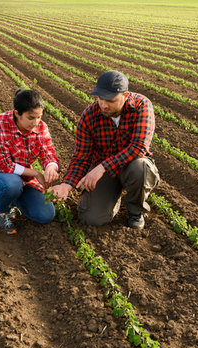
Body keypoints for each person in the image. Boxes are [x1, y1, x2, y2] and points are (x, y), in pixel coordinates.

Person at [49, 70, 159, 229]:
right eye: (100, 98)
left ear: (125, 95)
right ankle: (111, 196)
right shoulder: (89, 116)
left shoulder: (141, 106)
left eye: (111, 100)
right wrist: (66, 185)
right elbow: (81, 157)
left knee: (141, 168)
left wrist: (101, 167)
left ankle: (136, 211)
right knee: (91, 218)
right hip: (106, 173)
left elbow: (138, 147)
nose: (104, 105)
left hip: (131, 164)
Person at [0, 89, 60, 234]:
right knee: (12, 184)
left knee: (45, 215)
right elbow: (3, 165)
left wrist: (51, 167)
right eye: (31, 117)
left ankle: (14, 200)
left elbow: (47, 151)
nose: (36, 122)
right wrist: (35, 173)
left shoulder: (41, 127)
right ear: (17, 114)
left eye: (39, 117)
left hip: (22, 179)